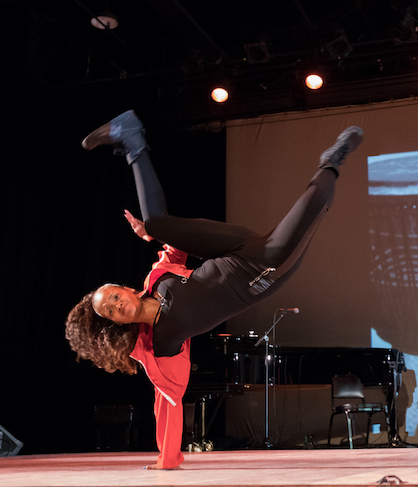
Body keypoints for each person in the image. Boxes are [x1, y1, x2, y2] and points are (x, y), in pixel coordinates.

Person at [65, 110, 363, 469]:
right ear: (115, 322)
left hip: (234, 249)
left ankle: (131, 140)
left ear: (126, 289)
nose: (117, 305)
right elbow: (167, 400)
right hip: (260, 273)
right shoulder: (162, 342)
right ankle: (331, 163)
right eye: (111, 311)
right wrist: (168, 458)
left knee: (157, 223)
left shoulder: (156, 278)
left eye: (114, 297)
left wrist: (150, 233)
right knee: (308, 216)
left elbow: (176, 248)